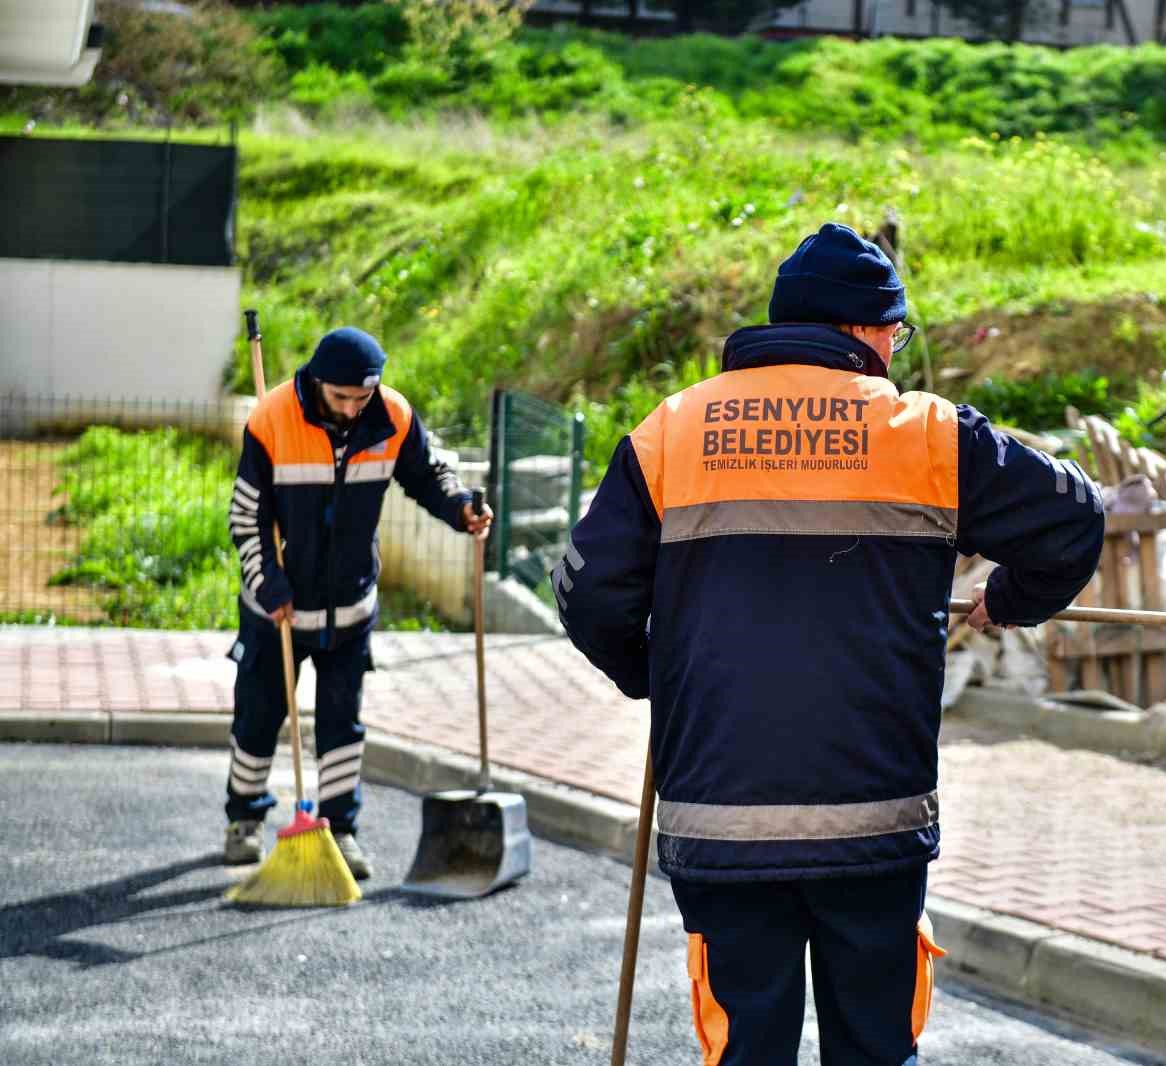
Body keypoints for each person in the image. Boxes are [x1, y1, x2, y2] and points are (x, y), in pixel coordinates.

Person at [554, 222, 1106, 1065]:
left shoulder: (671, 431)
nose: (897, 347)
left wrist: (655, 674)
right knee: (876, 1050)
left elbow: (587, 589)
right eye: (895, 330)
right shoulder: (926, 432)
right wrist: (1008, 598)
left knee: (748, 1051)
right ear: (858, 329)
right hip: (873, 822)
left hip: (722, 820)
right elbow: (1076, 518)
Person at [222, 327, 491, 878]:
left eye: (360, 398)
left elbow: (428, 474)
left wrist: (462, 508)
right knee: (259, 715)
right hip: (277, 608)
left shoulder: (391, 416)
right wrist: (268, 583)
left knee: (343, 723)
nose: (350, 408)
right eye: (341, 397)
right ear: (319, 383)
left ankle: (340, 830)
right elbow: (245, 518)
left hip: (350, 606)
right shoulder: (271, 419)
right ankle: (243, 820)